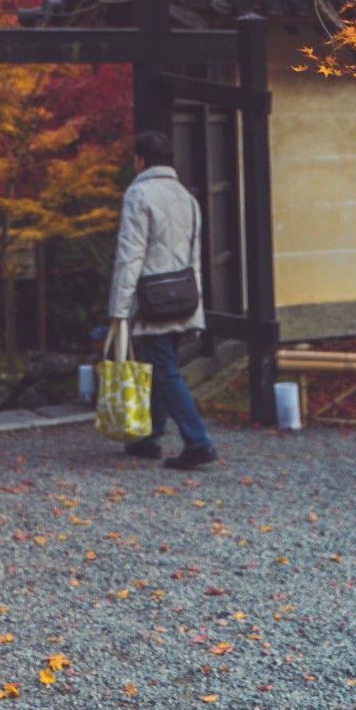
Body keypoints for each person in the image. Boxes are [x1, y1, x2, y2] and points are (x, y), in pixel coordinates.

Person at [107, 127, 218, 469]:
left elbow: (130, 256)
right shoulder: (188, 197)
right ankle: (151, 437)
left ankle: (198, 441)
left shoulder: (138, 195)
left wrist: (119, 309)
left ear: (140, 160)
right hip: (182, 293)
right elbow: (193, 256)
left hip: (151, 297)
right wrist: (196, 304)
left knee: (165, 368)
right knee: (160, 364)